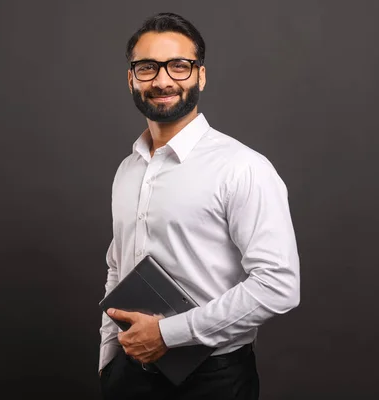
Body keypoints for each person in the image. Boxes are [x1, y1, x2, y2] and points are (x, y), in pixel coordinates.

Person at [97, 12, 301, 400]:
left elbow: (279, 285)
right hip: (129, 373)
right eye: (146, 67)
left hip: (213, 380)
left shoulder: (242, 168)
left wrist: (167, 334)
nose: (162, 80)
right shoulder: (128, 169)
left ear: (200, 75)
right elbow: (116, 263)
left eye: (179, 65)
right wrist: (108, 357)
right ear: (131, 78)